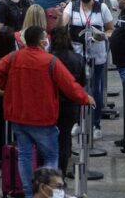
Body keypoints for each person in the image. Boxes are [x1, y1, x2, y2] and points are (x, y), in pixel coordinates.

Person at [0, 26, 94, 198]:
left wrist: (6, 85)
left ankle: (30, 194)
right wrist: (85, 97)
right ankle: (48, 194)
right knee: (51, 156)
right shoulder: (50, 61)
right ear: (41, 41)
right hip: (42, 119)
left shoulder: (14, 57)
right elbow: (69, 85)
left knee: (25, 156)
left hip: (18, 116)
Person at [60, 0, 114, 139]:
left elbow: (111, 29)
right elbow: (62, 24)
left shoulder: (102, 8)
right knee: (77, 88)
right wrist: (62, 18)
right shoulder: (72, 6)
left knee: (96, 89)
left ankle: (96, 124)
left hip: (97, 54)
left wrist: (102, 35)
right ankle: (76, 122)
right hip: (77, 56)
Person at [48, 26, 84, 176]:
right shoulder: (78, 59)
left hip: (50, 104)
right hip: (70, 105)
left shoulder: (48, 59)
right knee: (65, 138)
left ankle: (48, 173)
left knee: (49, 139)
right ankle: (61, 174)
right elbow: (82, 83)